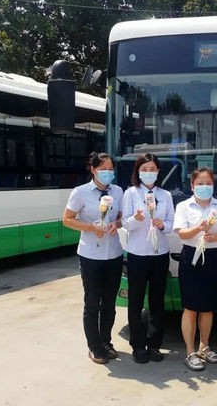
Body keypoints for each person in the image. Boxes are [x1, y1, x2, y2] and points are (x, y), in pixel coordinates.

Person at [62, 152, 124, 365]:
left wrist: (117, 224)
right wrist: (90, 227)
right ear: (93, 169)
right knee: (92, 302)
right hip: (90, 255)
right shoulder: (80, 192)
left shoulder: (118, 191)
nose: (107, 172)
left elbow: (121, 217)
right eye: (103, 169)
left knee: (109, 302)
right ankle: (94, 346)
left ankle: (106, 341)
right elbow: (67, 219)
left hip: (114, 253)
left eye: (110, 169)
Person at [173, 167, 217, 371]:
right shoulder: (184, 206)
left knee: (208, 308)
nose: (204, 187)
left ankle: (204, 346)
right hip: (191, 257)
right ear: (192, 186)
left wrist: (216, 237)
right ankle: (190, 351)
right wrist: (199, 228)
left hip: (214, 257)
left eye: (208, 183)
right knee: (190, 308)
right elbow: (181, 233)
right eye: (200, 183)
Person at [121, 153, 174, 364]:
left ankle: (154, 344)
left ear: (158, 171)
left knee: (157, 301)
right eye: (144, 169)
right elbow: (125, 223)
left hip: (160, 253)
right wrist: (136, 219)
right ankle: (138, 345)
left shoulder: (166, 195)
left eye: (152, 169)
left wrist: (162, 225)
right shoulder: (131, 193)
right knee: (135, 300)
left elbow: (171, 223)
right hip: (138, 254)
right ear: (138, 172)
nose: (149, 173)